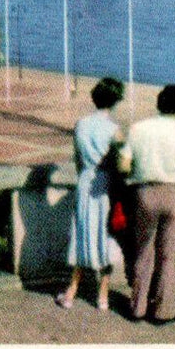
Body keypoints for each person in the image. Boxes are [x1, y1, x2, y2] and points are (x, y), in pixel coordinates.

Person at [119, 84, 175, 323]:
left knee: (143, 251)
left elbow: (124, 165)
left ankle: (138, 306)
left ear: (158, 103)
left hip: (144, 193)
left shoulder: (138, 129)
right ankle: (164, 311)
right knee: (172, 256)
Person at [56, 77, 126, 311]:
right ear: (115, 101)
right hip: (105, 185)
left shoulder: (81, 124)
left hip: (85, 182)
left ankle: (71, 291)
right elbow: (121, 165)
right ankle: (103, 295)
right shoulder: (114, 131)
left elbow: (77, 160)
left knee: (83, 234)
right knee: (106, 236)